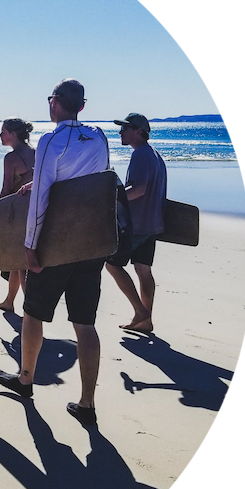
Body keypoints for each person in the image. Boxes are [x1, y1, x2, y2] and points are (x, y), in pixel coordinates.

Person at [0, 79, 110, 426]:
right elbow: (95, 180)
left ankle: (26, 379)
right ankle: (87, 402)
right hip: (91, 243)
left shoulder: (51, 140)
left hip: (57, 244)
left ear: (55, 103)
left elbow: (42, 198)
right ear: (83, 106)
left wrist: (30, 245)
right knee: (85, 323)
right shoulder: (100, 136)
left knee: (33, 314)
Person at [105, 113, 167, 333]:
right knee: (143, 269)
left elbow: (139, 189)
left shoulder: (141, 154)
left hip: (138, 225)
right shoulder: (154, 154)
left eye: (125, 128)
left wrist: (112, 198)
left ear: (139, 132)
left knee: (112, 264)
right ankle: (146, 321)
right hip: (153, 224)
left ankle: (140, 312)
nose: (120, 132)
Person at [0, 118, 35, 313]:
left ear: (13, 134)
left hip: (19, 213)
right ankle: (9, 301)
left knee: (20, 263)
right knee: (18, 261)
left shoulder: (11, 158)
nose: (0, 135)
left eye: (3, 132)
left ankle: (30, 310)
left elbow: (6, 189)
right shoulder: (37, 153)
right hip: (37, 210)